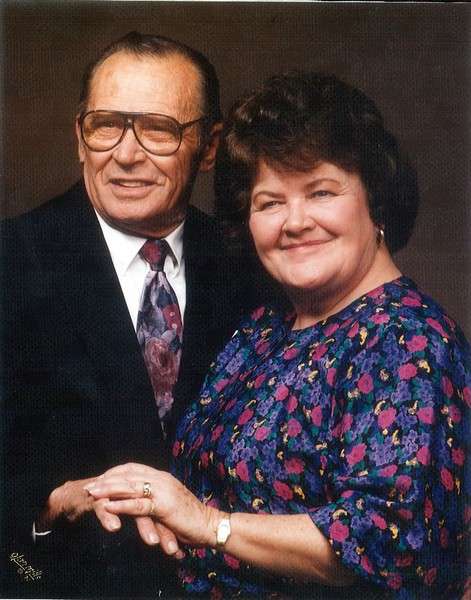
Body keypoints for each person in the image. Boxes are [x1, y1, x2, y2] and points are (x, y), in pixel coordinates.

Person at [85, 72, 470, 599]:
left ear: (376, 202)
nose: (294, 222)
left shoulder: (407, 341)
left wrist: (209, 524)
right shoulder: (266, 328)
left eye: (321, 192)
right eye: (269, 202)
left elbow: (387, 540)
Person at [1, 31, 260, 598]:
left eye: (158, 129)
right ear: (80, 137)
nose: (125, 153)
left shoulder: (255, 265)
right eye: (106, 125)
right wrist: (51, 505)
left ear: (209, 147)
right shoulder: (11, 261)